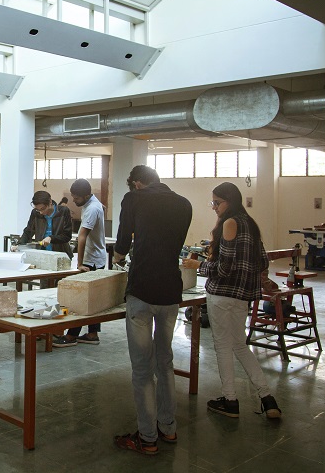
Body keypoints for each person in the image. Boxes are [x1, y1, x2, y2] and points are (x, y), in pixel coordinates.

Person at [182, 182, 282, 420]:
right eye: (213, 203)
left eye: (217, 202)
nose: (214, 207)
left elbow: (224, 269)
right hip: (242, 296)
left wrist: (198, 265)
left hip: (222, 294)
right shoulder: (251, 224)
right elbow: (263, 262)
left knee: (223, 347)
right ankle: (268, 399)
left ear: (230, 201)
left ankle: (230, 401)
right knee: (239, 345)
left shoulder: (229, 223)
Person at [111, 165, 193, 456]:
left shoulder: (134, 198)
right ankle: (168, 427)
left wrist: (118, 258)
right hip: (171, 291)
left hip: (143, 291)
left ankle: (147, 438)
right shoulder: (184, 204)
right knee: (165, 361)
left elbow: (122, 243)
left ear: (136, 183)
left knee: (142, 369)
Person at [54, 179, 106, 347]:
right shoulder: (92, 204)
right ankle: (92, 334)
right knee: (93, 300)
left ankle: (71, 336)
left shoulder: (92, 208)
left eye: (76, 198)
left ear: (87, 195)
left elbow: (81, 237)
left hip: (92, 260)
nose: (74, 201)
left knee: (81, 299)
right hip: (96, 257)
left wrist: (79, 263)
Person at [18, 190, 73, 257]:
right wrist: (19, 246)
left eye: (43, 209)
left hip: (61, 255)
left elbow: (67, 236)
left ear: (50, 202)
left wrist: (51, 238)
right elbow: (28, 231)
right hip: (42, 254)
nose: (41, 212)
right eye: (38, 209)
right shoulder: (35, 213)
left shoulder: (63, 211)